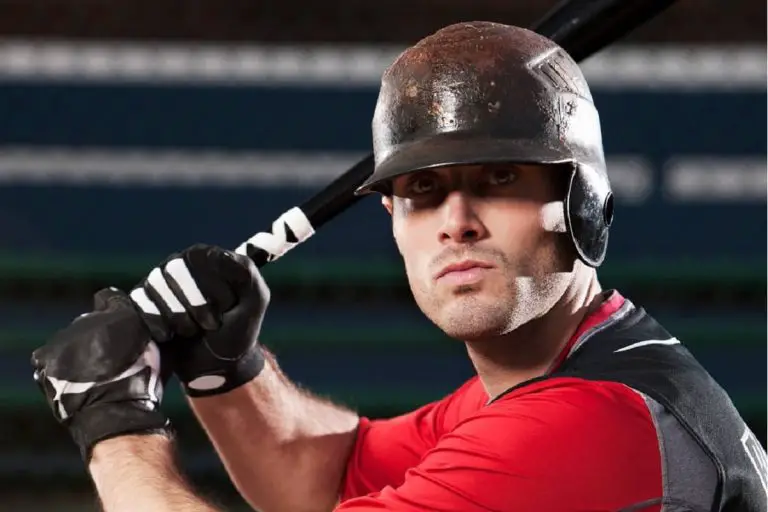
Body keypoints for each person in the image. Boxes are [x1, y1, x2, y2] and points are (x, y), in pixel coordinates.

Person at [31, 22, 767, 512]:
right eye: (423, 191)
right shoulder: (552, 378)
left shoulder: (587, 423)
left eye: (498, 181)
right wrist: (227, 370)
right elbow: (329, 473)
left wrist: (115, 423)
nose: (456, 222)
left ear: (584, 207)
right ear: (393, 222)